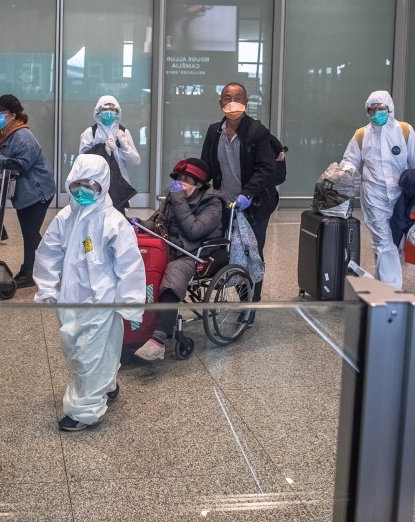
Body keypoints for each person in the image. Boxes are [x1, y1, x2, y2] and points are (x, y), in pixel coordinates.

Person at [32, 154, 146, 431]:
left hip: (102, 300)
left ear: (103, 185)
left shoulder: (113, 221)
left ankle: (84, 411)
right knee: (74, 348)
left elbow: (130, 264)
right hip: (70, 298)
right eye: (77, 184)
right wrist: (47, 288)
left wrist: (130, 303)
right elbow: (48, 253)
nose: (83, 191)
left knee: (89, 355)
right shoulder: (66, 217)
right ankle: (108, 383)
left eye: (90, 185)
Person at [200, 82, 280, 314]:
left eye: (237, 97)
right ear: (220, 102)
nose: (232, 102)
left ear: (246, 102)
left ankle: (250, 304)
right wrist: (190, 181)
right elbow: (206, 164)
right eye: (227, 97)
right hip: (225, 202)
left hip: (255, 203)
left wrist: (247, 194)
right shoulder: (214, 131)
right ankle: (239, 292)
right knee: (229, 250)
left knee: (251, 251)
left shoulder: (256, 131)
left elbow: (266, 169)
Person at [133, 158, 223, 362]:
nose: (179, 183)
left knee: (173, 277)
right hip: (169, 247)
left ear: (199, 183)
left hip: (194, 253)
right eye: (178, 178)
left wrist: (179, 199)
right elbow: (157, 222)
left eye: (186, 179)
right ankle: (138, 327)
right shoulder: (175, 198)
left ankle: (159, 339)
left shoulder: (213, 204)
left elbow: (194, 231)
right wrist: (139, 223)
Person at [341, 90, 415, 289]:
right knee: (383, 242)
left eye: (381, 109)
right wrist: (345, 172)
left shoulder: (405, 131)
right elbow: (350, 160)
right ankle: (391, 292)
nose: (376, 113)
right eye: (372, 110)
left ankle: (383, 285)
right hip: (374, 196)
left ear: (390, 109)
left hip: (401, 198)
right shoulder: (362, 135)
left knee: (395, 243)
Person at [0, 94, 54, 288]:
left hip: (37, 192)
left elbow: (20, 166)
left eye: (1, 113)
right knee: (31, 233)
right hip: (23, 193)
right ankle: (46, 265)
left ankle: (29, 273)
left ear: (14, 115)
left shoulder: (24, 137)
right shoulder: (0, 136)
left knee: (30, 233)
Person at [78, 95, 141, 184]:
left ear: (117, 111)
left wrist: (124, 146)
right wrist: (102, 149)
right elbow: (82, 161)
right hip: (95, 183)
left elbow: (135, 162)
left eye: (112, 109)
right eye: (105, 109)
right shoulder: (90, 132)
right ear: (98, 111)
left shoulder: (123, 133)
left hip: (119, 183)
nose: (109, 112)